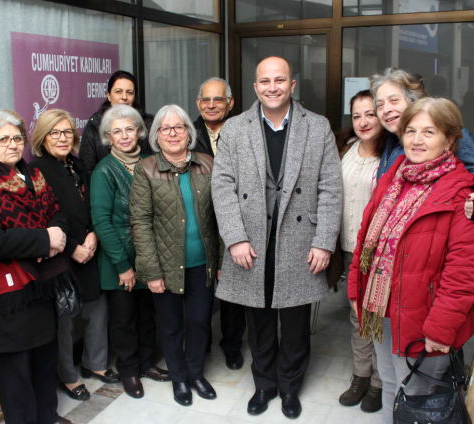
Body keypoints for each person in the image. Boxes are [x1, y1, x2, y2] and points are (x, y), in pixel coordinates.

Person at [211, 56, 343, 419]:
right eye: (265, 81)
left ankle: (289, 388)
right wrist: (234, 238)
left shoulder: (317, 127)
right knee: (260, 321)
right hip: (251, 241)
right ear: (255, 87)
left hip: (301, 241)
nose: (272, 87)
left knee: (297, 325)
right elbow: (221, 186)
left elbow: (331, 188)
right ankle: (264, 384)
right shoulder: (235, 129)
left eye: (279, 80)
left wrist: (324, 240)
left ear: (292, 85)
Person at [347, 97, 474, 424]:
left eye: (429, 131)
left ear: (450, 139)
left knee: (419, 399)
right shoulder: (395, 176)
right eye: (410, 130)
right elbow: (365, 237)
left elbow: (463, 275)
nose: (416, 139)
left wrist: (440, 329)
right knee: (389, 386)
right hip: (381, 309)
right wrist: (356, 290)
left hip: (424, 322)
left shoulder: (463, 194)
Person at [0, 110, 72, 424]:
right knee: (16, 371)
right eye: (3, 139)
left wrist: (55, 234)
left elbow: (56, 211)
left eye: (17, 138)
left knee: (44, 359)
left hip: (40, 284)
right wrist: (42, 241)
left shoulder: (32, 174)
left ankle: (46, 416)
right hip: (6, 295)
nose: (12, 145)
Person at [129, 104, 222, 407]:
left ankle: (196, 373)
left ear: (188, 132)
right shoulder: (146, 169)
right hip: (165, 267)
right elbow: (140, 223)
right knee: (170, 327)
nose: (172, 133)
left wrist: (220, 261)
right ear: (156, 135)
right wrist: (151, 272)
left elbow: (222, 214)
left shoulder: (208, 163)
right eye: (165, 128)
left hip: (202, 263)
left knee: (199, 322)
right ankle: (179, 379)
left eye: (178, 127)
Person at [30, 109, 119, 402]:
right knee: (64, 321)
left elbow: (96, 203)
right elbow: (44, 217)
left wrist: (94, 234)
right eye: (54, 132)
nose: (62, 138)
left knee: (97, 310)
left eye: (67, 132)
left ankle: (95, 363)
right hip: (62, 255)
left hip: (90, 248)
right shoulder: (37, 171)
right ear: (43, 138)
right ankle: (68, 376)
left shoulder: (77, 165)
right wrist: (72, 248)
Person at [90, 104, 170, 399]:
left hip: (150, 254)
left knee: (148, 314)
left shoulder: (152, 161)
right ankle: (129, 370)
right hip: (118, 259)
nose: (125, 136)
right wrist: (123, 265)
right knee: (123, 319)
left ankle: (147, 362)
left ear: (140, 131)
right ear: (108, 137)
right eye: (117, 131)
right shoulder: (104, 170)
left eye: (130, 129)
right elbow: (101, 221)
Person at [370, 67, 474, 220]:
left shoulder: (446, 134)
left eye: (394, 100)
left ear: (413, 100)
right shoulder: (391, 141)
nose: (386, 109)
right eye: (380, 104)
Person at [335, 90, 388, 413]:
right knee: (357, 316)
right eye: (357, 116)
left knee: (377, 318)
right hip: (347, 247)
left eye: (370, 114)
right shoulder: (346, 149)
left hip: (378, 253)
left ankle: (380, 383)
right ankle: (360, 376)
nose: (364, 122)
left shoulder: (392, 155)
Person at [192, 77, 246, 371]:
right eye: (206, 100)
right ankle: (202, 345)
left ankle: (232, 346)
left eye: (218, 99)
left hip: (233, 220)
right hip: (198, 223)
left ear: (230, 103)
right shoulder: (187, 134)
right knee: (200, 289)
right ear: (198, 103)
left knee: (231, 290)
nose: (212, 105)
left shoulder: (244, 131)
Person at [80, 70, 153, 180]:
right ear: (108, 95)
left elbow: (157, 163)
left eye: (129, 92)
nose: (124, 97)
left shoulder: (148, 123)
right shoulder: (94, 125)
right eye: (118, 91)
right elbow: (88, 169)